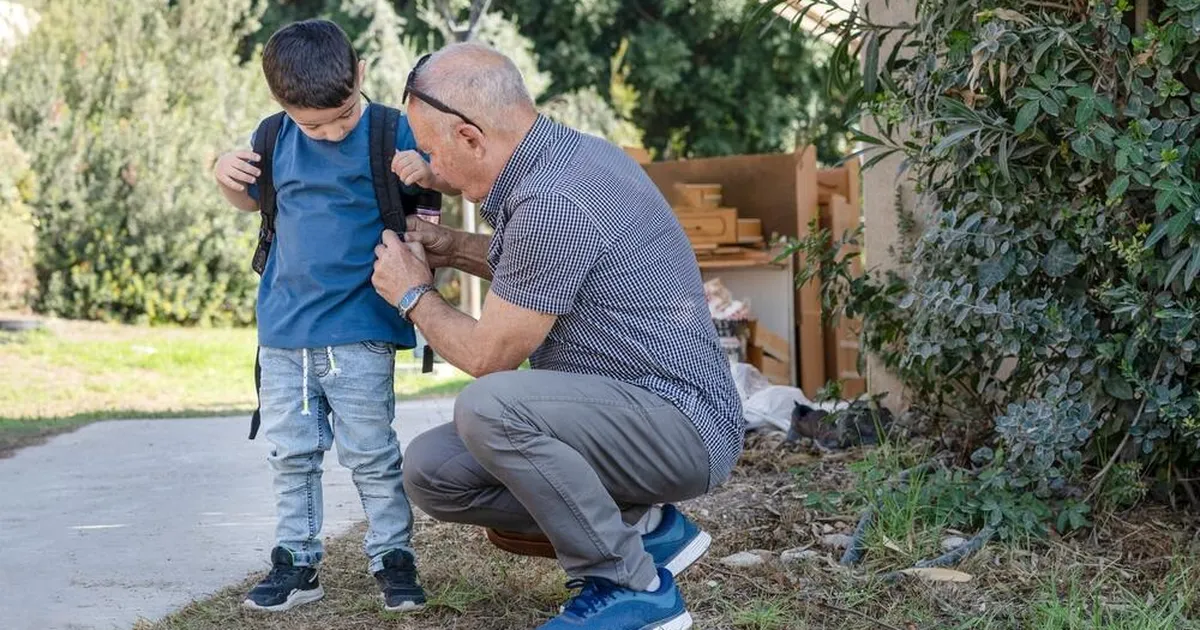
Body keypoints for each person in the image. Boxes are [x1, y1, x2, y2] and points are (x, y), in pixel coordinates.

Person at [371, 42, 745, 630]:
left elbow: (489, 356)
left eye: (431, 149)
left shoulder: (551, 200)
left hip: (681, 426)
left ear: (470, 136)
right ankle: (647, 528)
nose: (429, 166)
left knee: (491, 406)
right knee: (433, 470)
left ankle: (631, 588)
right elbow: (547, 269)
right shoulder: (570, 157)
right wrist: (455, 250)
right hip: (633, 411)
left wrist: (413, 293)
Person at [212, 19, 457, 613]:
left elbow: (441, 187)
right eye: (312, 123)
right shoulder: (273, 136)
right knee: (290, 453)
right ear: (281, 104)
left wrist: (429, 175)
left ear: (361, 77)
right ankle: (296, 559)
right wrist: (223, 171)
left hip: (361, 330)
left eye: (342, 114)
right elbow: (246, 196)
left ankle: (393, 557)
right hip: (284, 334)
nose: (330, 129)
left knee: (371, 452)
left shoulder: (391, 129)